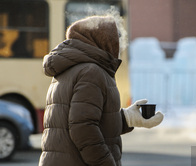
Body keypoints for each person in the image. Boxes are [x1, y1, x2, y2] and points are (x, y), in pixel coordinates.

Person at [38, 14, 164, 166]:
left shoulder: (71, 68)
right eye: (114, 40)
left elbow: (87, 120)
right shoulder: (91, 71)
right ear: (103, 41)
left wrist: (128, 118)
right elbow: (84, 129)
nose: (118, 46)